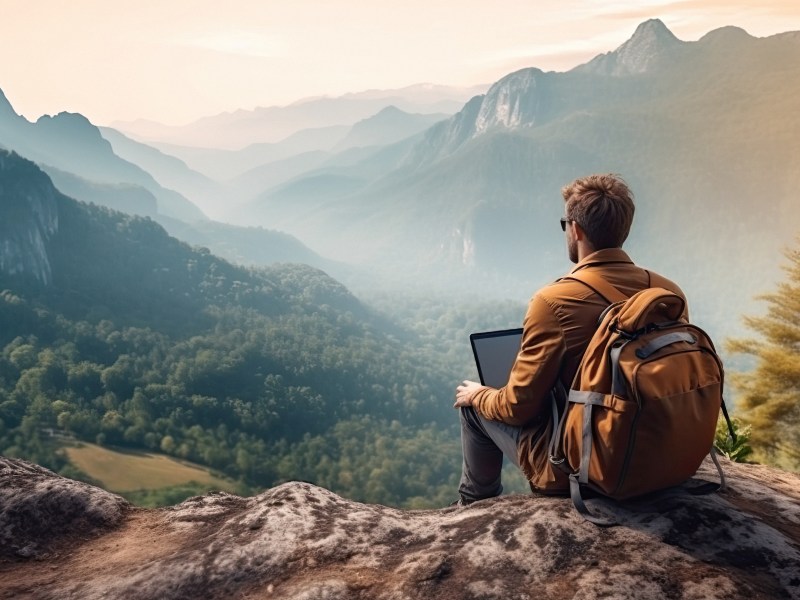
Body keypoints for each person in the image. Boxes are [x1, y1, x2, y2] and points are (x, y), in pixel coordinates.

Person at [452, 173, 686, 504]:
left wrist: (480, 395)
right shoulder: (667, 293)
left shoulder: (553, 302)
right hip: (659, 454)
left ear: (575, 229)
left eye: (565, 224)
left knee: (473, 407)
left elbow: (518, 408)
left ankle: (472, 507)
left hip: (585, 467)